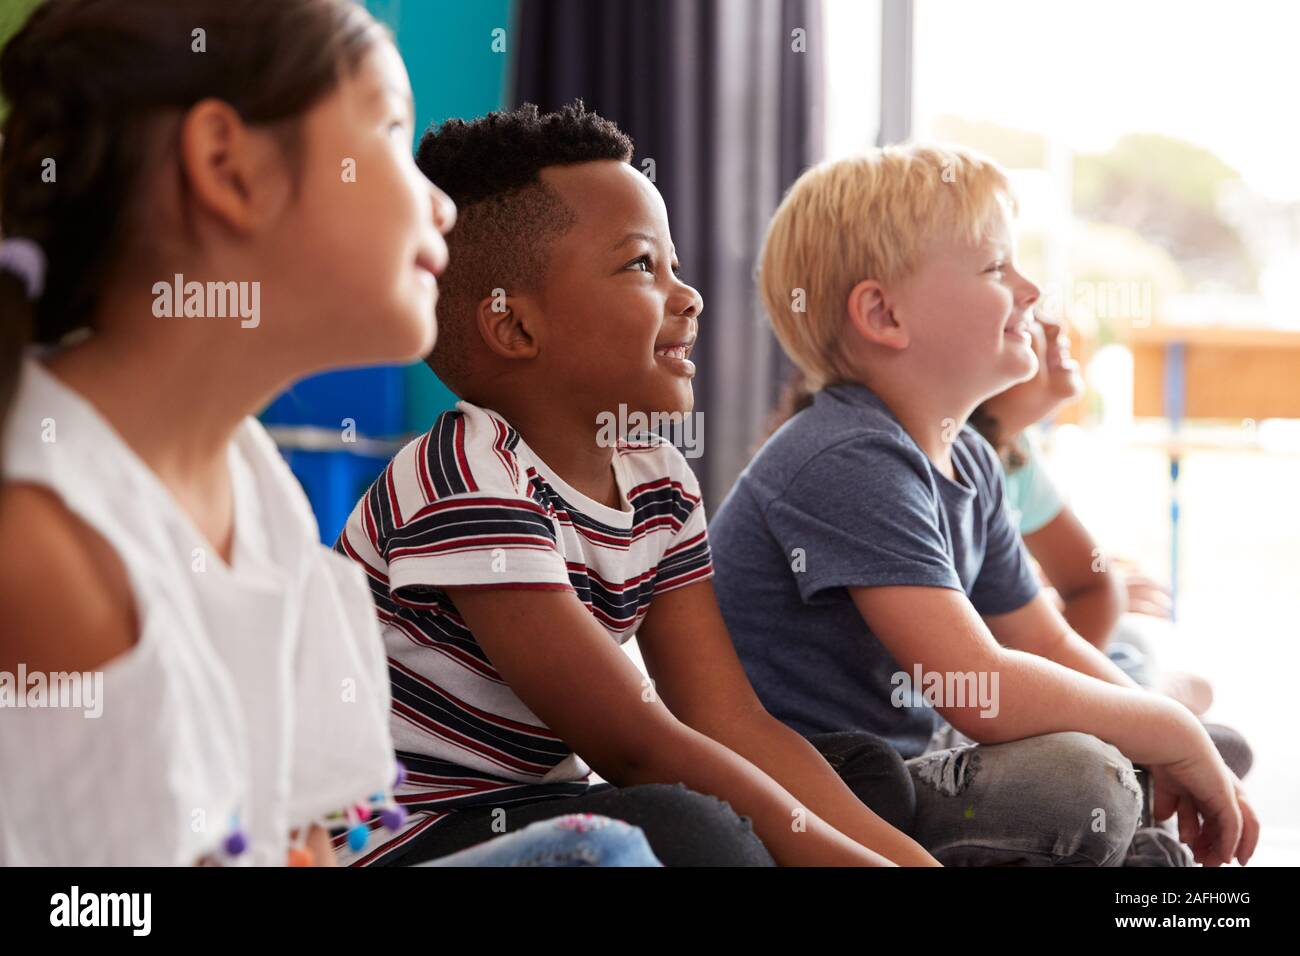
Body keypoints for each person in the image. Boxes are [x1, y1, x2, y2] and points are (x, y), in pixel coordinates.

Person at [334, 102, 936, 867]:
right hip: (413, 839)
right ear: (516, 327)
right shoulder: (462, 479)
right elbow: (634, 743)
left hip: (553, 801)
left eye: (675, 266)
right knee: (693, 828)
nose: (688, 296)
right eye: (641, 266)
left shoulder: (658, 481)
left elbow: (726, 718)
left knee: (862, 773)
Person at [708, 144, 1258, 866]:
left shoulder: (967, 455)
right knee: (1082, 780)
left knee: (1190, 749)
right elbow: (978, 689)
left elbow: (1049, 643)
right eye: (999, 267)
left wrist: (1164, 728)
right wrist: (1167, 732)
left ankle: (1135, 839)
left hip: (926, 756)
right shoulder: (847, 455)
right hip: (847, 791)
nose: (1031, 290)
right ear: (883, 313)